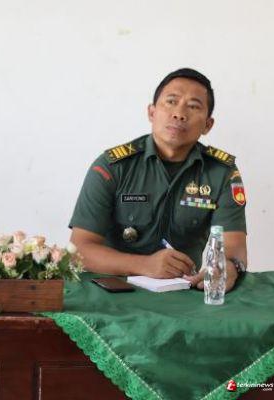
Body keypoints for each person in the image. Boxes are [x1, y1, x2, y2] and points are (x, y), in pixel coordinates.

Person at [69, 68, 247, 292]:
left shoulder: (221, 173)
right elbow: (79, 250)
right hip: (113, 293)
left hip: (182, 295)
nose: (179, 114)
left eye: (193, 106)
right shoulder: (113, 166)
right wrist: (144, 265)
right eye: (171, 102)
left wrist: (228, 268)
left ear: (207, 125)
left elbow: (234, 248)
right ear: (151, 113)